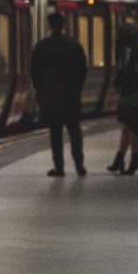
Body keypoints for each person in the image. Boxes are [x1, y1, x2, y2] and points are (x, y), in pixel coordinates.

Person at [29, 11, 90, 177]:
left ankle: (59, 167)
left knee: (55, 133)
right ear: (63, 25)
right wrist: (77, 88)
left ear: (49, 25)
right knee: (74, 131)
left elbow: (34, 72)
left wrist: (41, 92)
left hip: (51, 97)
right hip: (71, 95)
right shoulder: (74, 45)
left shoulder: (42, 46)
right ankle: (79, 165)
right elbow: (83, 69)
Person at [111, 25, 138, 177]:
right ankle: (124, 159)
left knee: (130, 127)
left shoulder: (125, 52)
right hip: (137, 94)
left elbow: (122, 73)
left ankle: (133, 160)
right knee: (131, 127)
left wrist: (118, 90)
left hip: (128, 94)